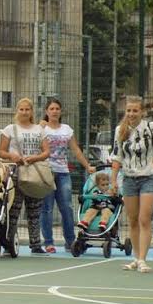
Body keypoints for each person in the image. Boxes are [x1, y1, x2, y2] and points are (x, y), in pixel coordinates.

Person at [111, 96, 153, 273]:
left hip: (148, 178)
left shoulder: (150, 127)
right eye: (129, 110)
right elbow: (117, 157)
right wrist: (113, 181)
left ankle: (142, 260)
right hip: (128, 180)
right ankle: (136, 257)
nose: (131, 114)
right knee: (133, 220)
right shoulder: (120, 130)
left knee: (144, 219)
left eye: (135, 110)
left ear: (142, 112)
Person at [40, 98, 96, 253]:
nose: (54, 111)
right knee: (47, 209)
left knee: (67, 207)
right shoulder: (41, 128)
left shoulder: (66, 129)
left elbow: (76, 150)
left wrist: (87, 166)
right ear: (46, 111)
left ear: (61, 111)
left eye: (57, 108)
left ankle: (71, 242)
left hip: (63, 172)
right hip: (46, 172)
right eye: (51, 108)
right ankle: (49, 243)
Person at [0, 97, 50, 255]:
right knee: (13, 209)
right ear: (17, 111)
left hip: (34, 172)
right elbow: (1, 151)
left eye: (27, 109)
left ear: (32, 112)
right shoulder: (9, 129)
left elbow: (47, 151)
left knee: (34, 210)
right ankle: (9, 243)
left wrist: (35, 157)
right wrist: (12, 156)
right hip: (15, 173)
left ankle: (35, 243)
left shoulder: (39, 130)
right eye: (21, 109)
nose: (24, 112)